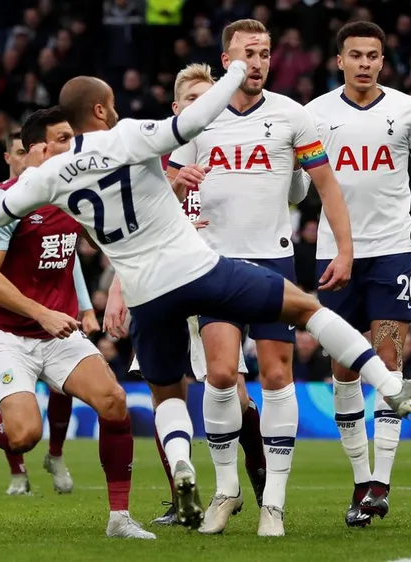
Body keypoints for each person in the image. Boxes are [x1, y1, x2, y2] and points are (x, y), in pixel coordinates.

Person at [0, 44, 411, 537]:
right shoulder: (128, 137)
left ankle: (181, 464)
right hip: (198, 269)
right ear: (99, 110)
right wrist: (236, 73)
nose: (116, 109)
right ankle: (392, 387)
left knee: (167, 392)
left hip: (144, 295)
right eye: (111, 103)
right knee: (304, 306)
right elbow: (191, 122)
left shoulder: (47, 176)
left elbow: (0, 209)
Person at [159, 18, 355, 535]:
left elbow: (326, 188)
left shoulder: (293, 115)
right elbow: (165, 196)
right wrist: (181, 181)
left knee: (275, 378)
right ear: (227, 61)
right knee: (220, 376)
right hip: (214, 265)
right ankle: (226, 492)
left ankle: (274, 501)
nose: (260, 61)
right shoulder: (200, 120)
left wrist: (345, 248)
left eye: (266, 52)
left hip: (273, 261)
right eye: (250, 52)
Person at [0, 110, 153, 540]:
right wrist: (40, 311)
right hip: (6, 334)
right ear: (37, 149)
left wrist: (110, 294)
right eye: (63, 139)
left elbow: (115, 237)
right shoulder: (3, 201)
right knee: (24, 435)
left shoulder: (76, 193)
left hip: (58, 333)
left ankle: (119, 518)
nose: (72, 146)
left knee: (114, 401)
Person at [304, 21, 411, 527]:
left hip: (392, 252)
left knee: (390, 355)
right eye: (355, 55)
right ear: (340, 60)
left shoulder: (407, 110)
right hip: (334, 254)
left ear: (382, 61)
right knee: (343, 370)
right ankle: (358, 480)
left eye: (373, 56)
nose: (365, 64)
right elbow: (296, 188)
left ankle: (381, 485)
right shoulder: (315, 115)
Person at [128, 62, 274, 527]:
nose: (199, 109)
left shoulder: (232, 148)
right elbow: (131, 228)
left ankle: (258, 476)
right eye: (191, 101)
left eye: (206, 100)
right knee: (165, 395)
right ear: (176, 108)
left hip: (215, 283)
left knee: (235, 391)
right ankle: (182, 499)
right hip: (164, 284)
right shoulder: (154, 158)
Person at [0, 111, 88, 496]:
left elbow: (68, 253)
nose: (25, 158)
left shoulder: (65, 195)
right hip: (7, 319)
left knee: (75, 392)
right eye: (18, 152)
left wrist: (85, 305)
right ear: (13, 157)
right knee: (19, 416)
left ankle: (57, 455)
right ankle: (17, 471)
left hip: (55, 318)